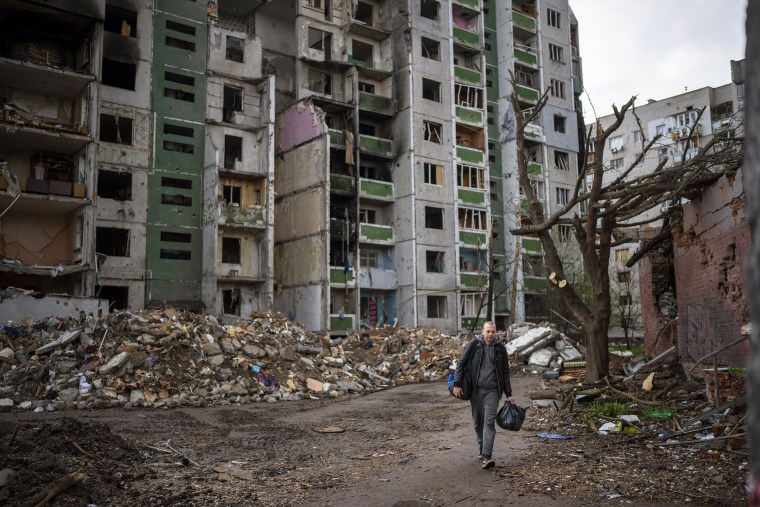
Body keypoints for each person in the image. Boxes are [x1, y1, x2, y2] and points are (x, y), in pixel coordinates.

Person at [452, 321, 515, 469]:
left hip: (492, 391)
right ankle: (482, 448)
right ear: (483, 332)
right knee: (477, 423)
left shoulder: (500, 349)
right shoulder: (475, 345)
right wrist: (457, 384)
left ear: (496, 332)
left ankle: (487, 456)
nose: (491, 334)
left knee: (489, 422)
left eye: (493, 331)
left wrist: (509, 393)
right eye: (488, 331)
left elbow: (505, 372)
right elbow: (461, 364)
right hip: (475, 390)